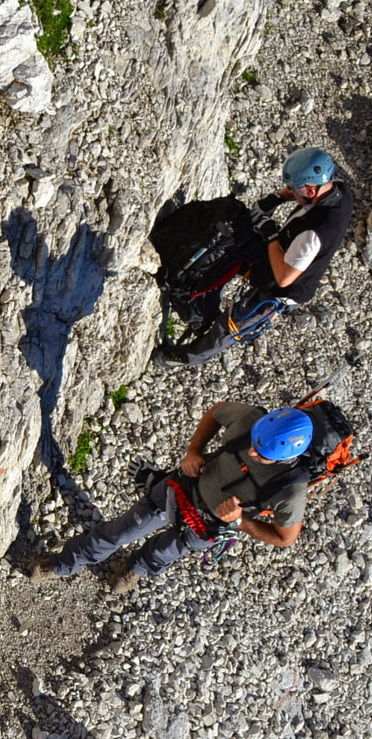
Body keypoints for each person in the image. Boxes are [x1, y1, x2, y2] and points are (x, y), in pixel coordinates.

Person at [29, 403, 315, 592]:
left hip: (206, 526)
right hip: (179, 490)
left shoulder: (290, 491)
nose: (252, 452)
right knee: (120, 531)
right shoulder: (251, 420)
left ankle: (136, 568)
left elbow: (285, 538)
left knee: (163, 552)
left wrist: (240, 521)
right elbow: (216, 414)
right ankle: (65, 563)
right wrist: (193, 452)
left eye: (262, 454)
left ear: (286, 457)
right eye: (254, 442)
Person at [155, 148, 355, 369]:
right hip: (281, 255)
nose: (291, 192)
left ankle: (181, 358)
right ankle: (200, 304)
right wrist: (276, 199)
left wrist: (271, 236)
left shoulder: (314, 235)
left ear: (310, 190)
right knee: (233, 247)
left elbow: (283, 278)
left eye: (294, 190)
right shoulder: (337, 191)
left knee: (230, 326)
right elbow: (297, 192)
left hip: (281, 287)